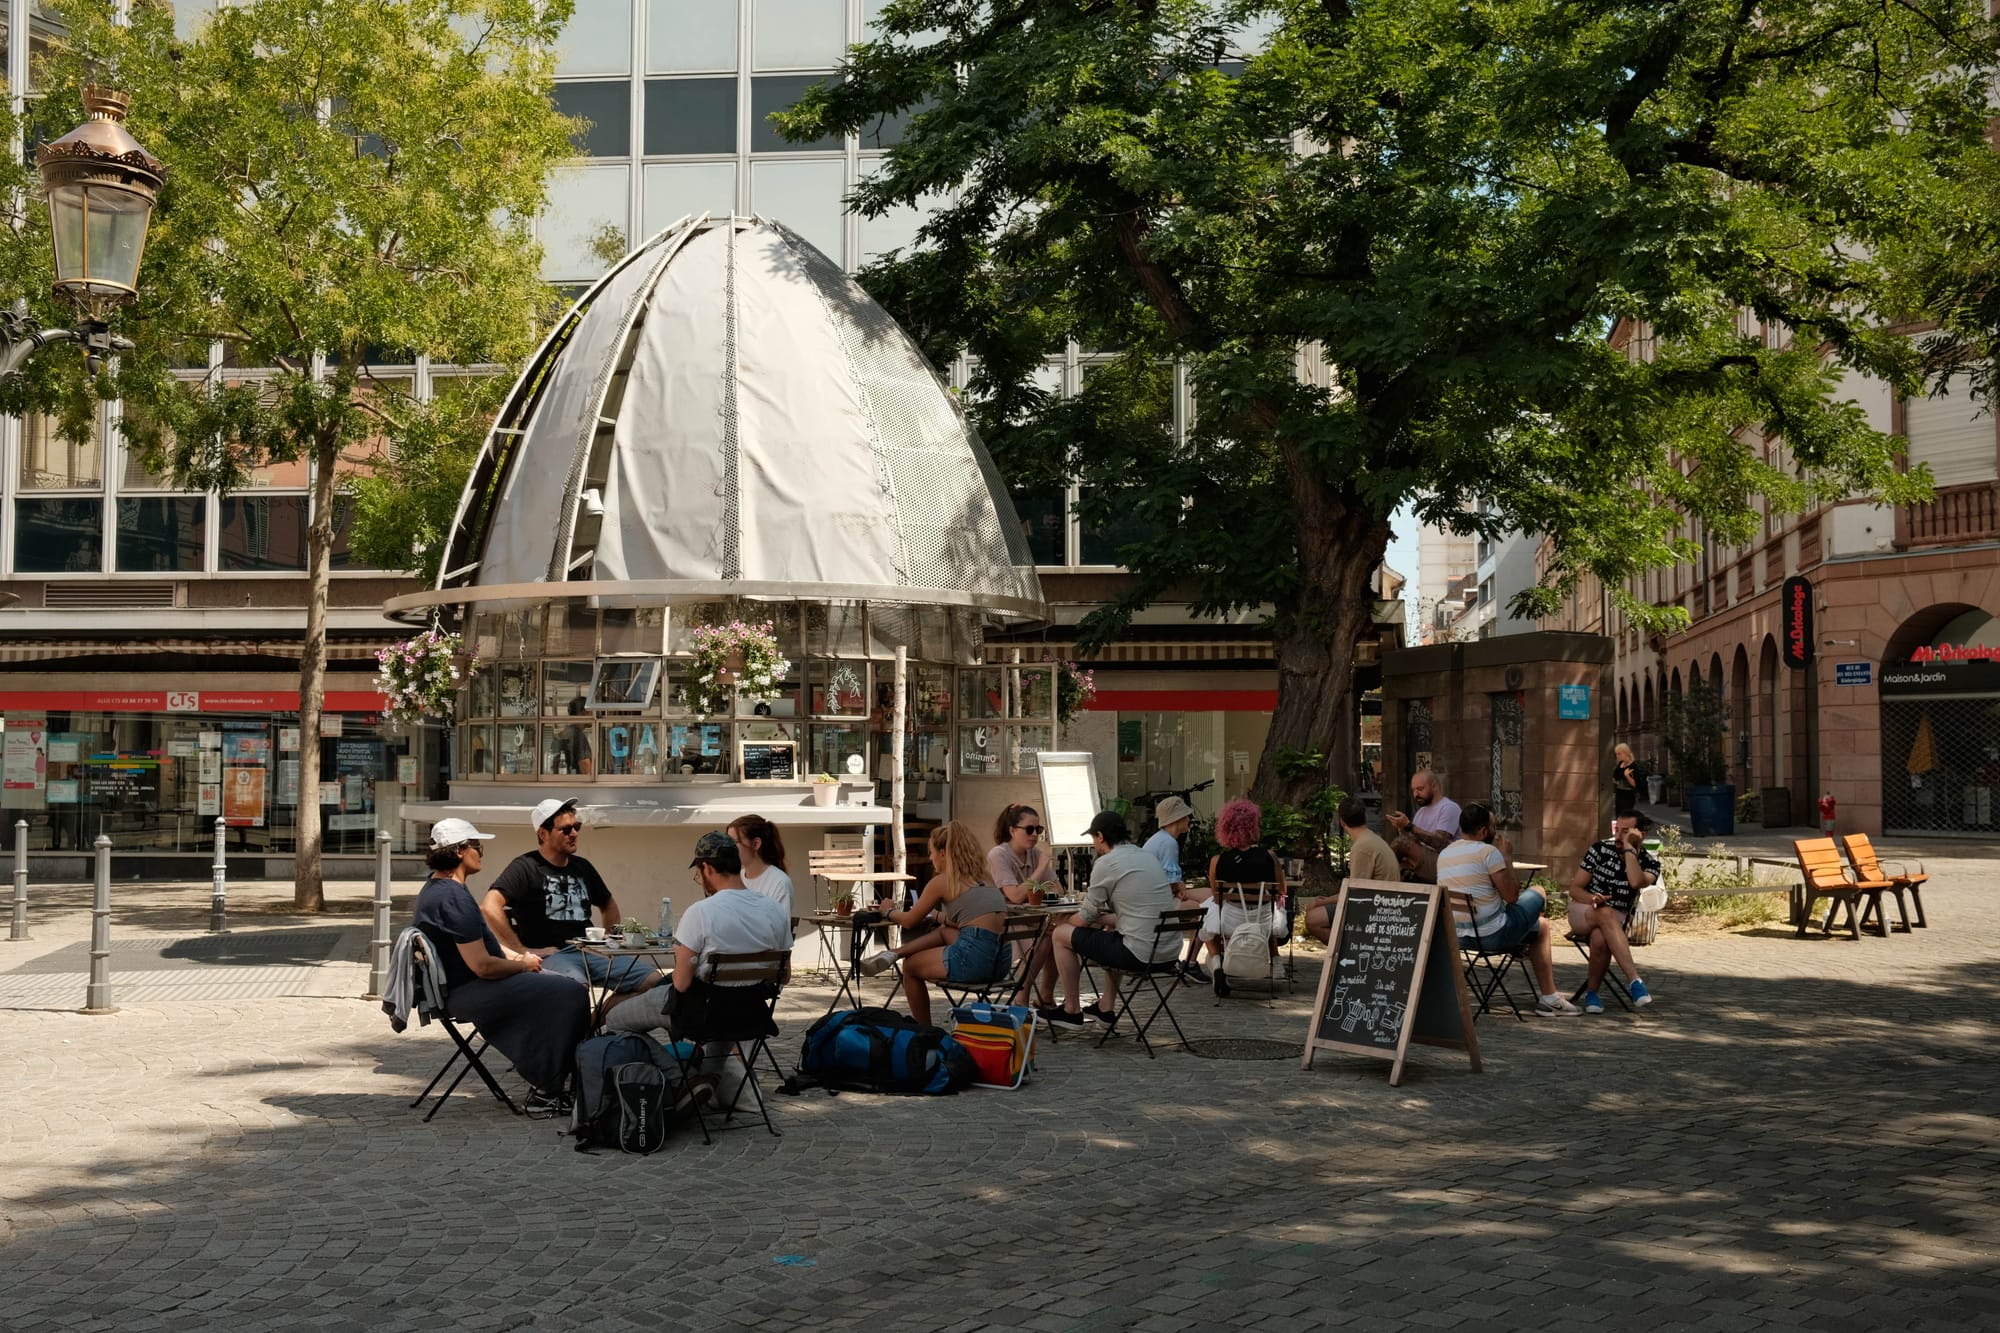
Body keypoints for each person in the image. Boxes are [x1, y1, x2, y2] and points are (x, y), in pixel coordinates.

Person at [411, 817, 590, 1106]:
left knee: (559, 986)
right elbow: (482, 965)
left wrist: (522, 957)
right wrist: (523, 966)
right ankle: (549, 1087)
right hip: (467, 992)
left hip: (464, 987)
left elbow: (484, 947)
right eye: (477, 846)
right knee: (571, 993)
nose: (481, 852)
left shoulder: (439, 888)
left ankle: (555, 1072)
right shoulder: (452, 897)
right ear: (460, 851)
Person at [603, 831, 793, 1042]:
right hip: (751, 1013)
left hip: (701, 1013)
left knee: (614, 1020)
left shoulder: (701, 912)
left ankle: (670, 1071)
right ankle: (710, 1074)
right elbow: (784, 976)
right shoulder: (774, 909)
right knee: (723, 1018)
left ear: (707, 868)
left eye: (698, 874)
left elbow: (681, 984)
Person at [481, 797, 663, 998]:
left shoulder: (582, 866)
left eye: (576, 827)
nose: (574, 834)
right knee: (575, 990)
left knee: (655, 981)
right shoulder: (526, 866)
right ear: (543, 833)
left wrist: (610, 940)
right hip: (553, 955)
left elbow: (608, 904)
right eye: (566, 830)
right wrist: (521, 950)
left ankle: (597, 1021)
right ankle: (581, 1027)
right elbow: (490, 906)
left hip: (591, 951)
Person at [859, 821, 1011, 1025]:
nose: (930, 858)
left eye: (930, 852)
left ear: (943, 853)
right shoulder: (986, 879)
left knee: (911, 967)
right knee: (944, 930)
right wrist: (940, 917)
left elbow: (910, 921)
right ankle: (894, 952)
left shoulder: (943, 881)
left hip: (975, 963)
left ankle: (925, 1031)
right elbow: (973, 923)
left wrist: (889, 911)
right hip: (1001, 963)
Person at [1438, 803, 1579, 1016]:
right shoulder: (1489, 852)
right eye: (1494, 826)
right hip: (1492, 936)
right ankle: (1549, 997)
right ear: (1484, 831)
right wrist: (1507, 857)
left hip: (1456, 936)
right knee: (1539, 891)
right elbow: (1512, 896)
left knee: (1541, 926)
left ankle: (1547, 993)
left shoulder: (1445, 854)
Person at [1043, 810, 1180, 1028]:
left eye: (1093, 839)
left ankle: (1071, 1010)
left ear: (1100, 836)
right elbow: (1136, 916)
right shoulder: (1146, 856)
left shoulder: (1106, 863)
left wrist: (1065, 920)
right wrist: (1102, 917)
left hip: (1139, 954)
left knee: (1060, 935)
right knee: (1111, 934)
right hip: (1169, 952)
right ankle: (1105, 1007)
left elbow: (1084, 918)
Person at [1566, 813, 1658, 1011]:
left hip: (1617, 919)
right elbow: (1575, 889)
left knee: (1600, 939)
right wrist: (1592, 899)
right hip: (1583, 910)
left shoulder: (1650, 863)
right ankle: (1634, 980)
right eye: (1617, 830)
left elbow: (1636, 882)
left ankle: (1592, 994)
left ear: (1639, 834)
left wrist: (1629, 850)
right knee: (1605, 912)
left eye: (1625, 832)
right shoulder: (1599, 850)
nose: (1618, 836)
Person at [1198, 798, 1289, 997]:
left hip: (1230, 922)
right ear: (1253, 827)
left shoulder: (1217, 861)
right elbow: (1281, 890)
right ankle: (1276, 962)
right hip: (1264, 923)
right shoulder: (1269, 857)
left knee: (1205, 915)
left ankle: (1217, 964)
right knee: (1274, 906)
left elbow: (1216, 897)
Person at [1304, 795, 1401, 944]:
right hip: (1380, 901)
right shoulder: (1371, 839)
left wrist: (1323, 901)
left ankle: (1350, 950)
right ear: (1365, 818)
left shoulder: (1362, 847)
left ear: (1342, 822)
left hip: (1377, 907)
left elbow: (1355, 892)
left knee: (1312, 919)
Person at [988, 803, 1058, 1006]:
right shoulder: (998, 854)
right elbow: (1015, 896)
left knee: (1060, 935)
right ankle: (1022, 995)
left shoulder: (1035, 854)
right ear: (1012, 830)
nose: (1035, 834)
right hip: (1007, 922)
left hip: (1033, 919)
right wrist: (1042, 869)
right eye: (1029, 829)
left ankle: (1046, 996)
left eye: (1039, 829)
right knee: (1045, 937)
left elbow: (1058, 890)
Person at [1144, 794, 1207, 981]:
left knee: (1210, 895)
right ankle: (1190, 962)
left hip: (1158, 895)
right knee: (1205, 910)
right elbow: (1168, 884)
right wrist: (1179, 887)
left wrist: (1179, 887)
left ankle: (1192, 962)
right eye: (1186, 816)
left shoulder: (1160, 839)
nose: (1189, 819)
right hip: (1158, 901)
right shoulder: (1169, 843)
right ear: (1177, 819)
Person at [727, 814, 795, 926]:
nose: (728, 848)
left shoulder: (779, 882)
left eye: (734, 842)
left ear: (756, 844)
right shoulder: (736, 877)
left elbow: (779, 932)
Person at [1385, 768, 1460, 854]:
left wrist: (1409, 826)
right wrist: (1402, 828)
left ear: (1434, 786)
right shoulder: (1420, 812)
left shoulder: (1448, 808)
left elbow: (1440, 842)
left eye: (1420, 789)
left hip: (1443, 862)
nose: (1416, 794)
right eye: (1413, 790)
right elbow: (1412, 842)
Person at [1612, 743, 1641, 819]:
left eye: (1619, 754)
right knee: (1618, 815)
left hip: (1628, 794)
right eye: (1616, 754)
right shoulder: (1620, 764)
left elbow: (1636, 784)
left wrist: (1627, 776)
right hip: (1619, 792)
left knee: (1626, 816)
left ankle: (1626, 830)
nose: (1617, 756)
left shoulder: (1633, 766)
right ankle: (1616, 831)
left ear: (1625, 753)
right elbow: (1615, 777)